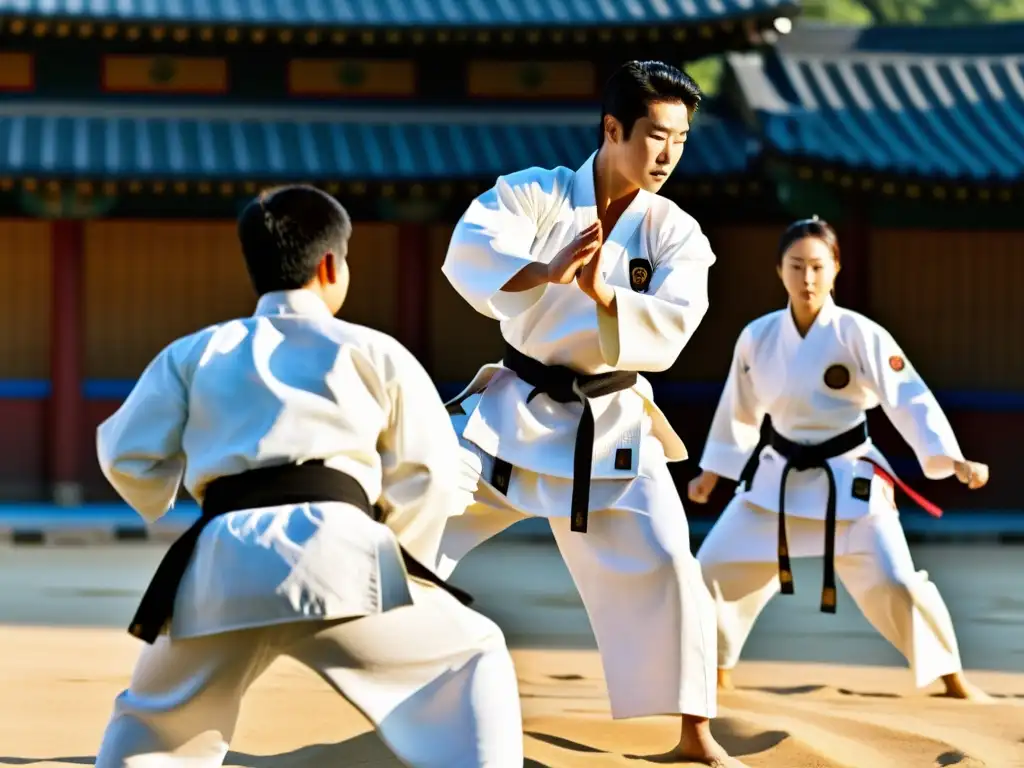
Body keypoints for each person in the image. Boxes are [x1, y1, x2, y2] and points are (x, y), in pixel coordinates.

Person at [93, 185, 525, 767]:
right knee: (472, 655)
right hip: (341, 551)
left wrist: (166, 487)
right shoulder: (375, 350)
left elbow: (125, 453)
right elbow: (428, 471)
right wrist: (397, 560)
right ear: (330, 265)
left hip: (221, 559)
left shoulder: (197, 351)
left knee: (156, 724)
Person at [437, 61, 738, 766]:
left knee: (670, 563)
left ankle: (695, 733)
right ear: (612, 129)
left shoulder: (677, 233)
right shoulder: (536, 193)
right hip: (513, 412)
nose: (668, 155)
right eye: (656, 136)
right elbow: (471, 248)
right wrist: (544, 271)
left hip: (611, 426)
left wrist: (605, 296)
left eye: (682, 140)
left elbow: (675, 321)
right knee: (414, 511)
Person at [688, 215, 991, 701]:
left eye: (816, 267)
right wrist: (712, 472)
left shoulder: (859, 333)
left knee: (896, 581)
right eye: (796, 266)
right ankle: (715, 669)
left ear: (835, 271)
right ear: (779, 271)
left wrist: (949, 458)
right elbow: (738, 409)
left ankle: (951, 676)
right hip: (777, 482)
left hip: (849, 478)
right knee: (711, 567)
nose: (806, 279)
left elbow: (908, 395)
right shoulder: (758, 336)